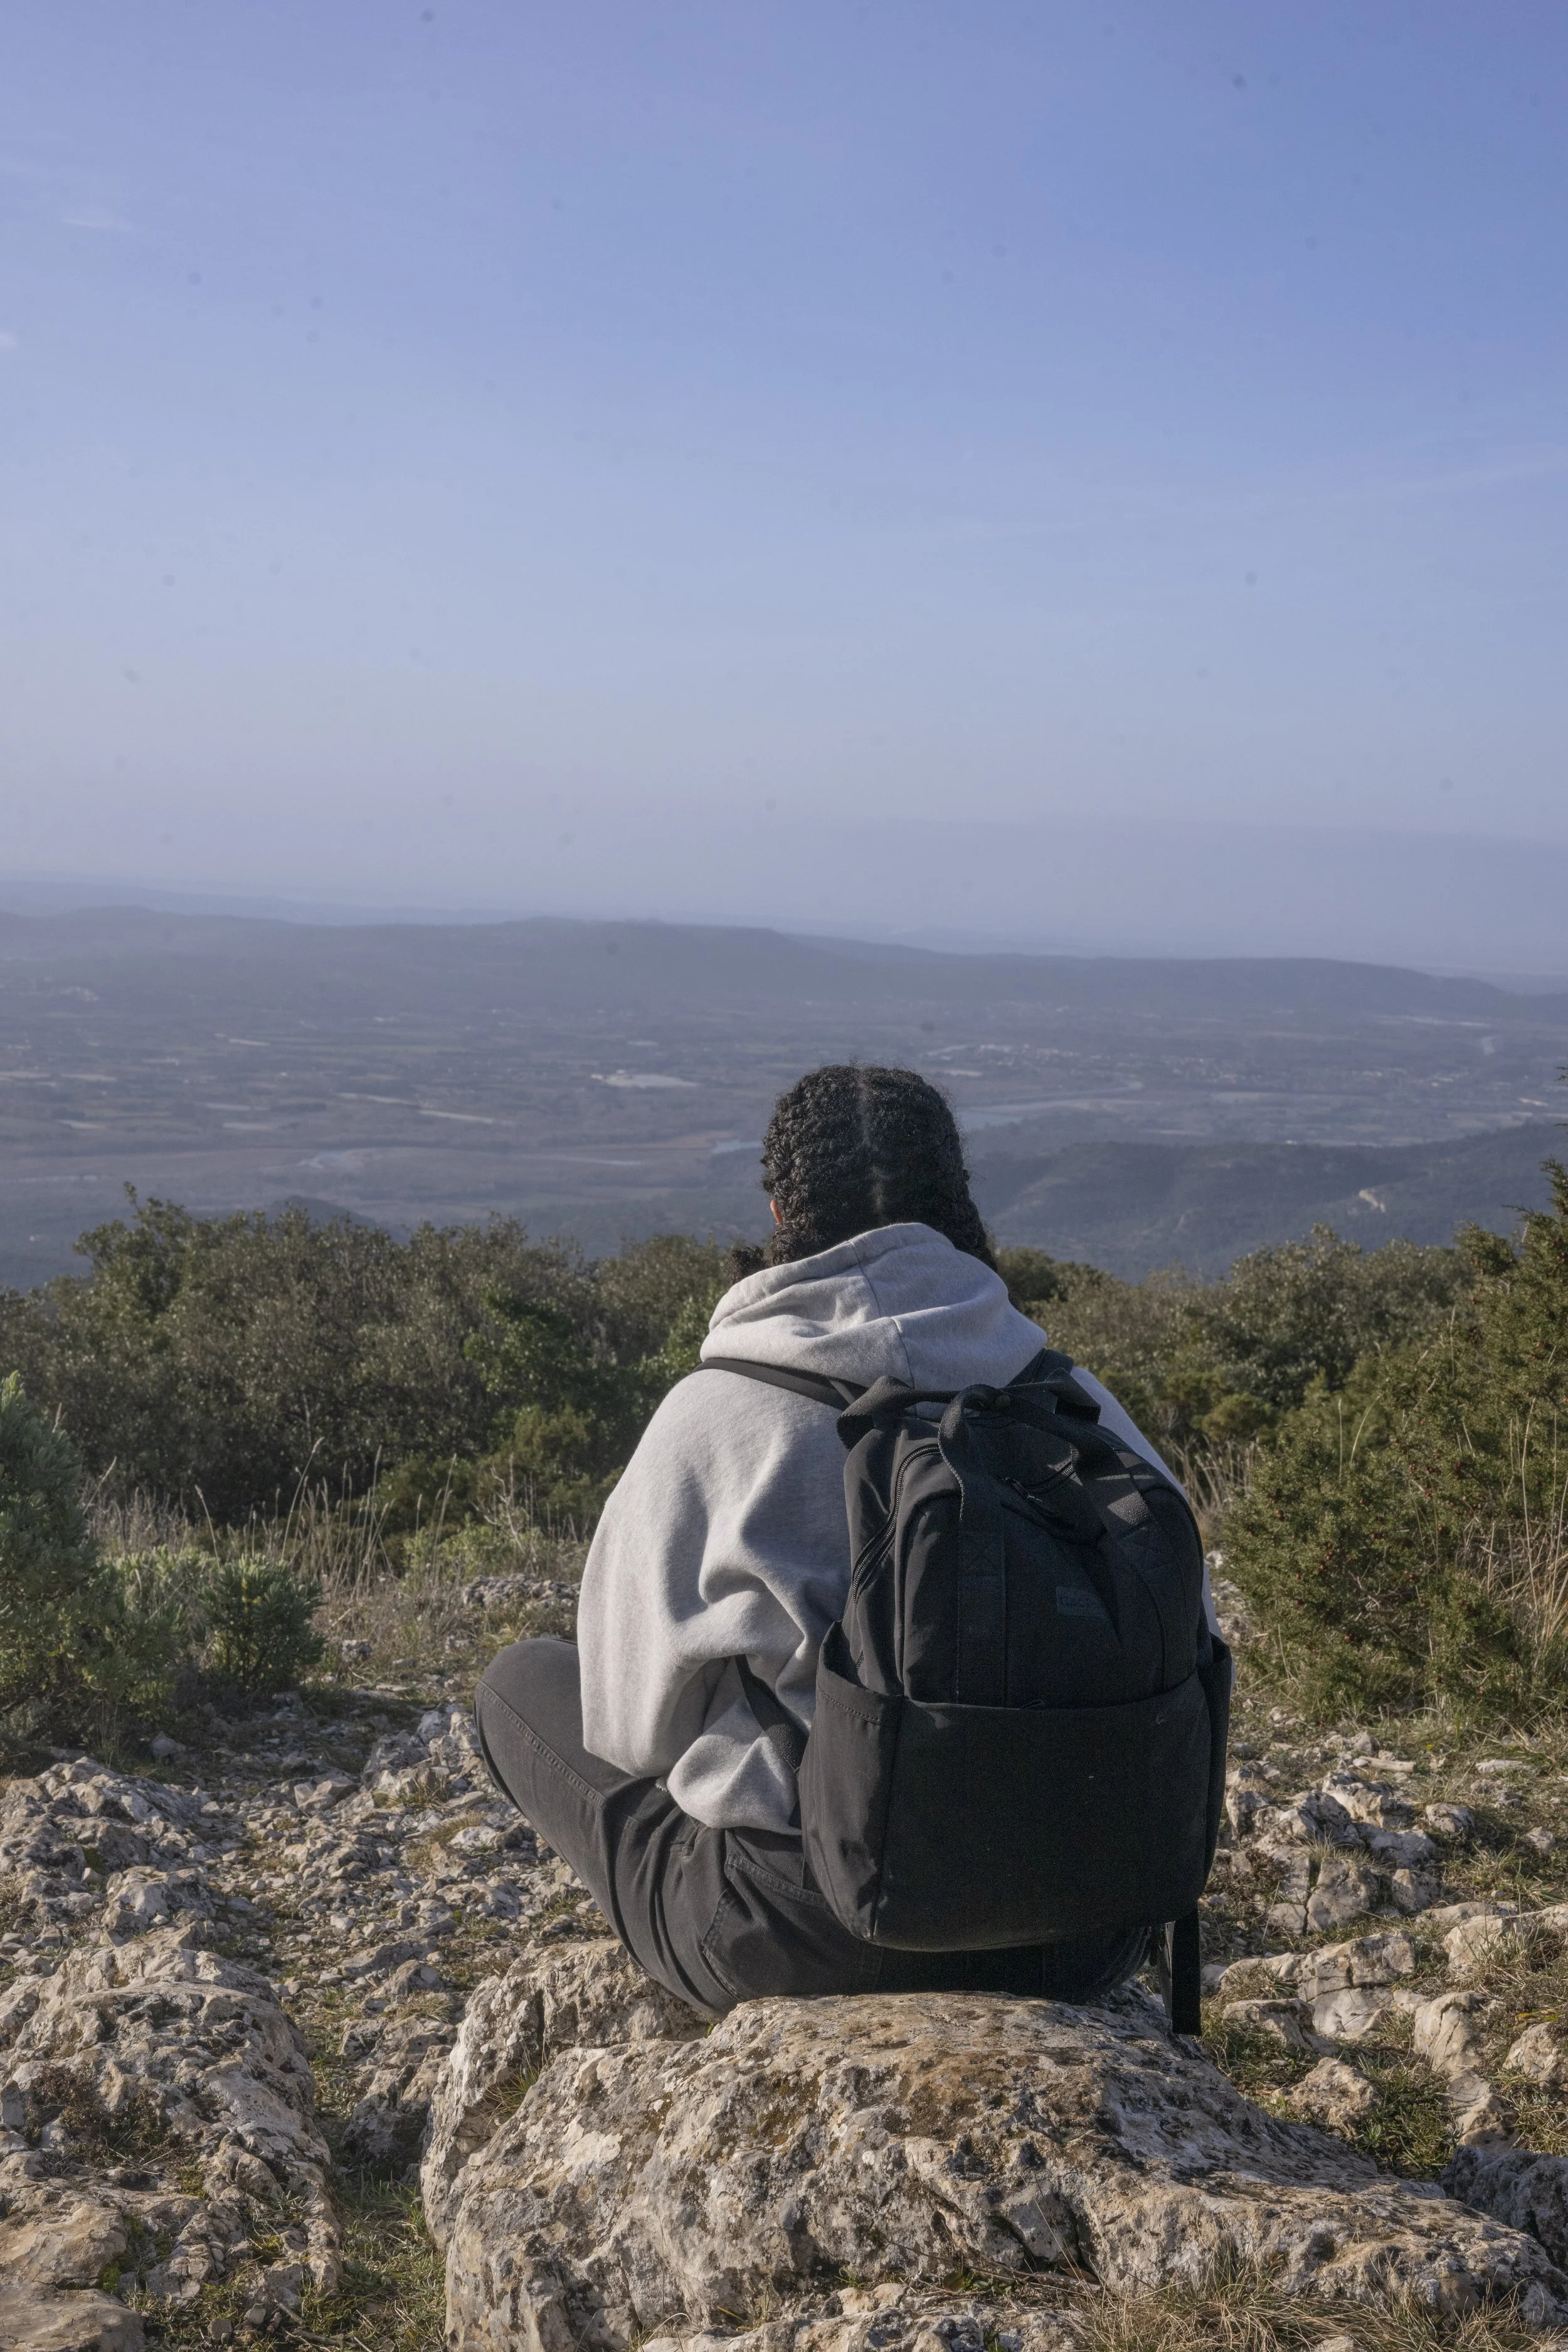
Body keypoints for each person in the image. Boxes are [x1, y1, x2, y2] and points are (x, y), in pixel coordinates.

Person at [475, 1063, 1209, 2016]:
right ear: (958, 1208)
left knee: (515, 1686)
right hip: (1088, 1937)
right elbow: (1189, 1645)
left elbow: (628, 1726)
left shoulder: (719, 1414)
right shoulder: (1073, 1402)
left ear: (780, 1210)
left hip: (808, 1938)